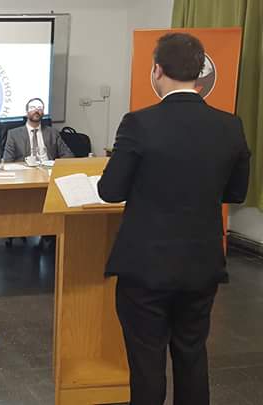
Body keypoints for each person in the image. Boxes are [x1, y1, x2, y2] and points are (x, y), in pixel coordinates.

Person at [98, 33, 250, 405]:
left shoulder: (139, 123)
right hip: (201, 264)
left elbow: (110, 190)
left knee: (147, 363)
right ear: (200, 73)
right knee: (192, 354)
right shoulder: (230, 125)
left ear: (157, 70)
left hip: (145, 266)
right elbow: (236, 193)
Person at [2, 97, 73, 162]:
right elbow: (7, 161)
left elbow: (68, 155)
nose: (36, 110)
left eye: (39, 108)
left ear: (43, 112)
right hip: (25, 170)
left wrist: (54, 165)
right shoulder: (13, 134)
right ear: (26, 112)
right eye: (32, 108)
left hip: (48, 169)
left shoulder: (53, 133)